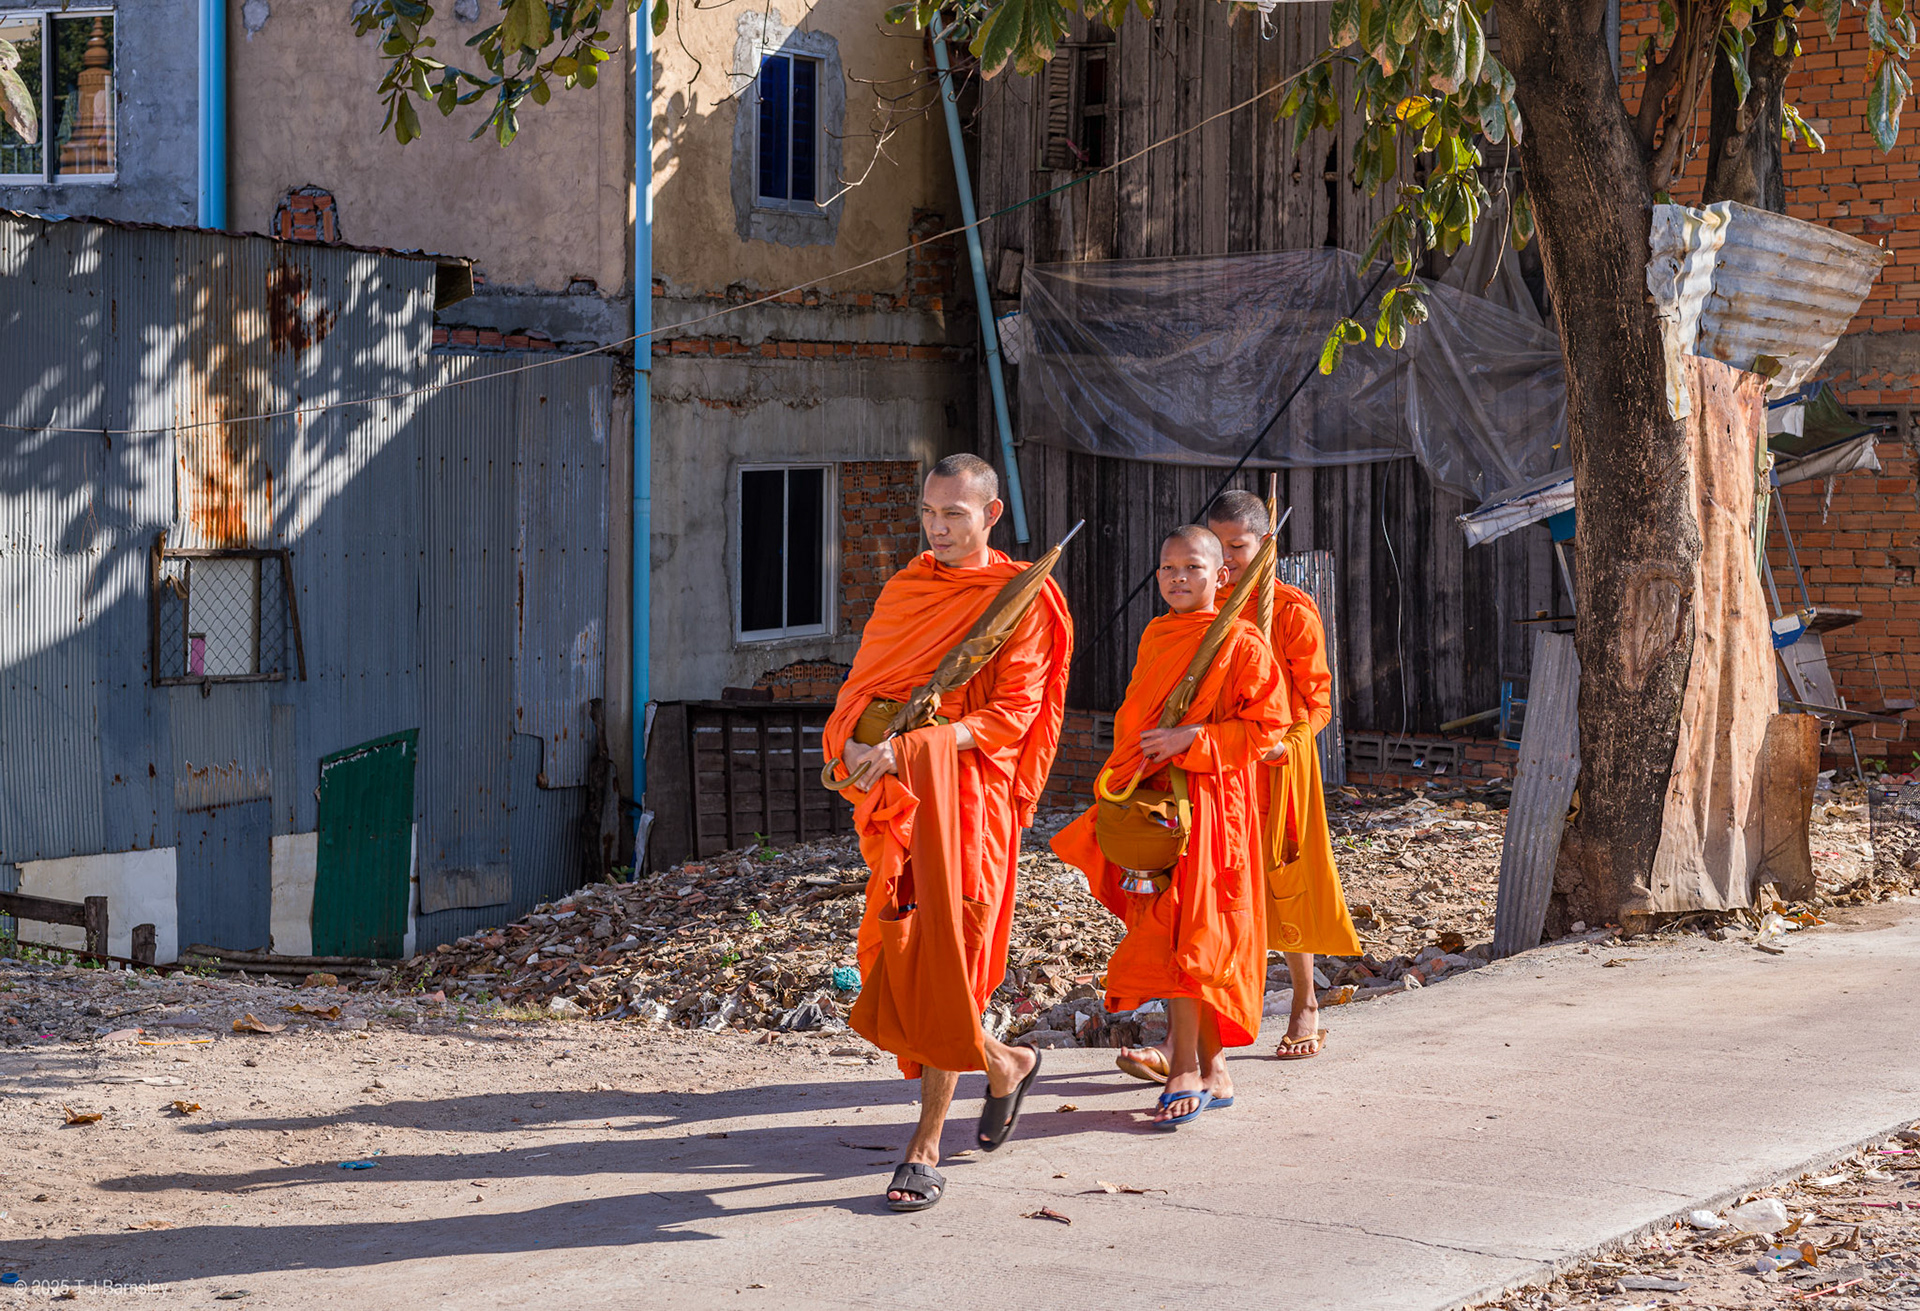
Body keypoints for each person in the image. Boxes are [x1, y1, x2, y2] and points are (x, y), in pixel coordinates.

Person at [823, 453, 1074, 1212]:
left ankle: (925, 1145)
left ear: (991, 515)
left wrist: (913, 747)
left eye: (954, 515)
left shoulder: (1023, 598)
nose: (937, 528)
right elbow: (864, 685)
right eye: (929, 513)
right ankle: (1003, 1062)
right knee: (902, 950)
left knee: (950, 958)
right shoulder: (908, 588)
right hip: (902, 800)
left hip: (969, 801)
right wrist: (852, 745)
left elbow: (1011, 716)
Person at [1051, 526, 1286, 1126]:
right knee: (1171, 931)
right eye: (1168, 568)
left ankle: (1184, 1067)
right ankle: (1215, 1068)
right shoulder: (1158, 634)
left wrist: (1193, 739)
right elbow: (1137, 718)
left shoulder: (1243, 642)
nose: (1179, 578)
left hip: (1213, 807)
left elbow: (1268, 730)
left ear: (1221, 576)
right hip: (1156, 809)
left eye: (1193, 567)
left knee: (1197, 931)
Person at [1208, 490, 1361, 1061]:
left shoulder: (1290, 609)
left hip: (1277, 767)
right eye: (1217, 546)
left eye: (1237, 547)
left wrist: (1284, 746)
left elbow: (1318, 704)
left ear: (1266, 544)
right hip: (1219, 763)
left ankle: (1305, 1000)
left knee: (1286, 879)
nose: (1225, 560)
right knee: (1221, 884)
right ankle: (1217, 1015)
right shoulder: (1203, 605)